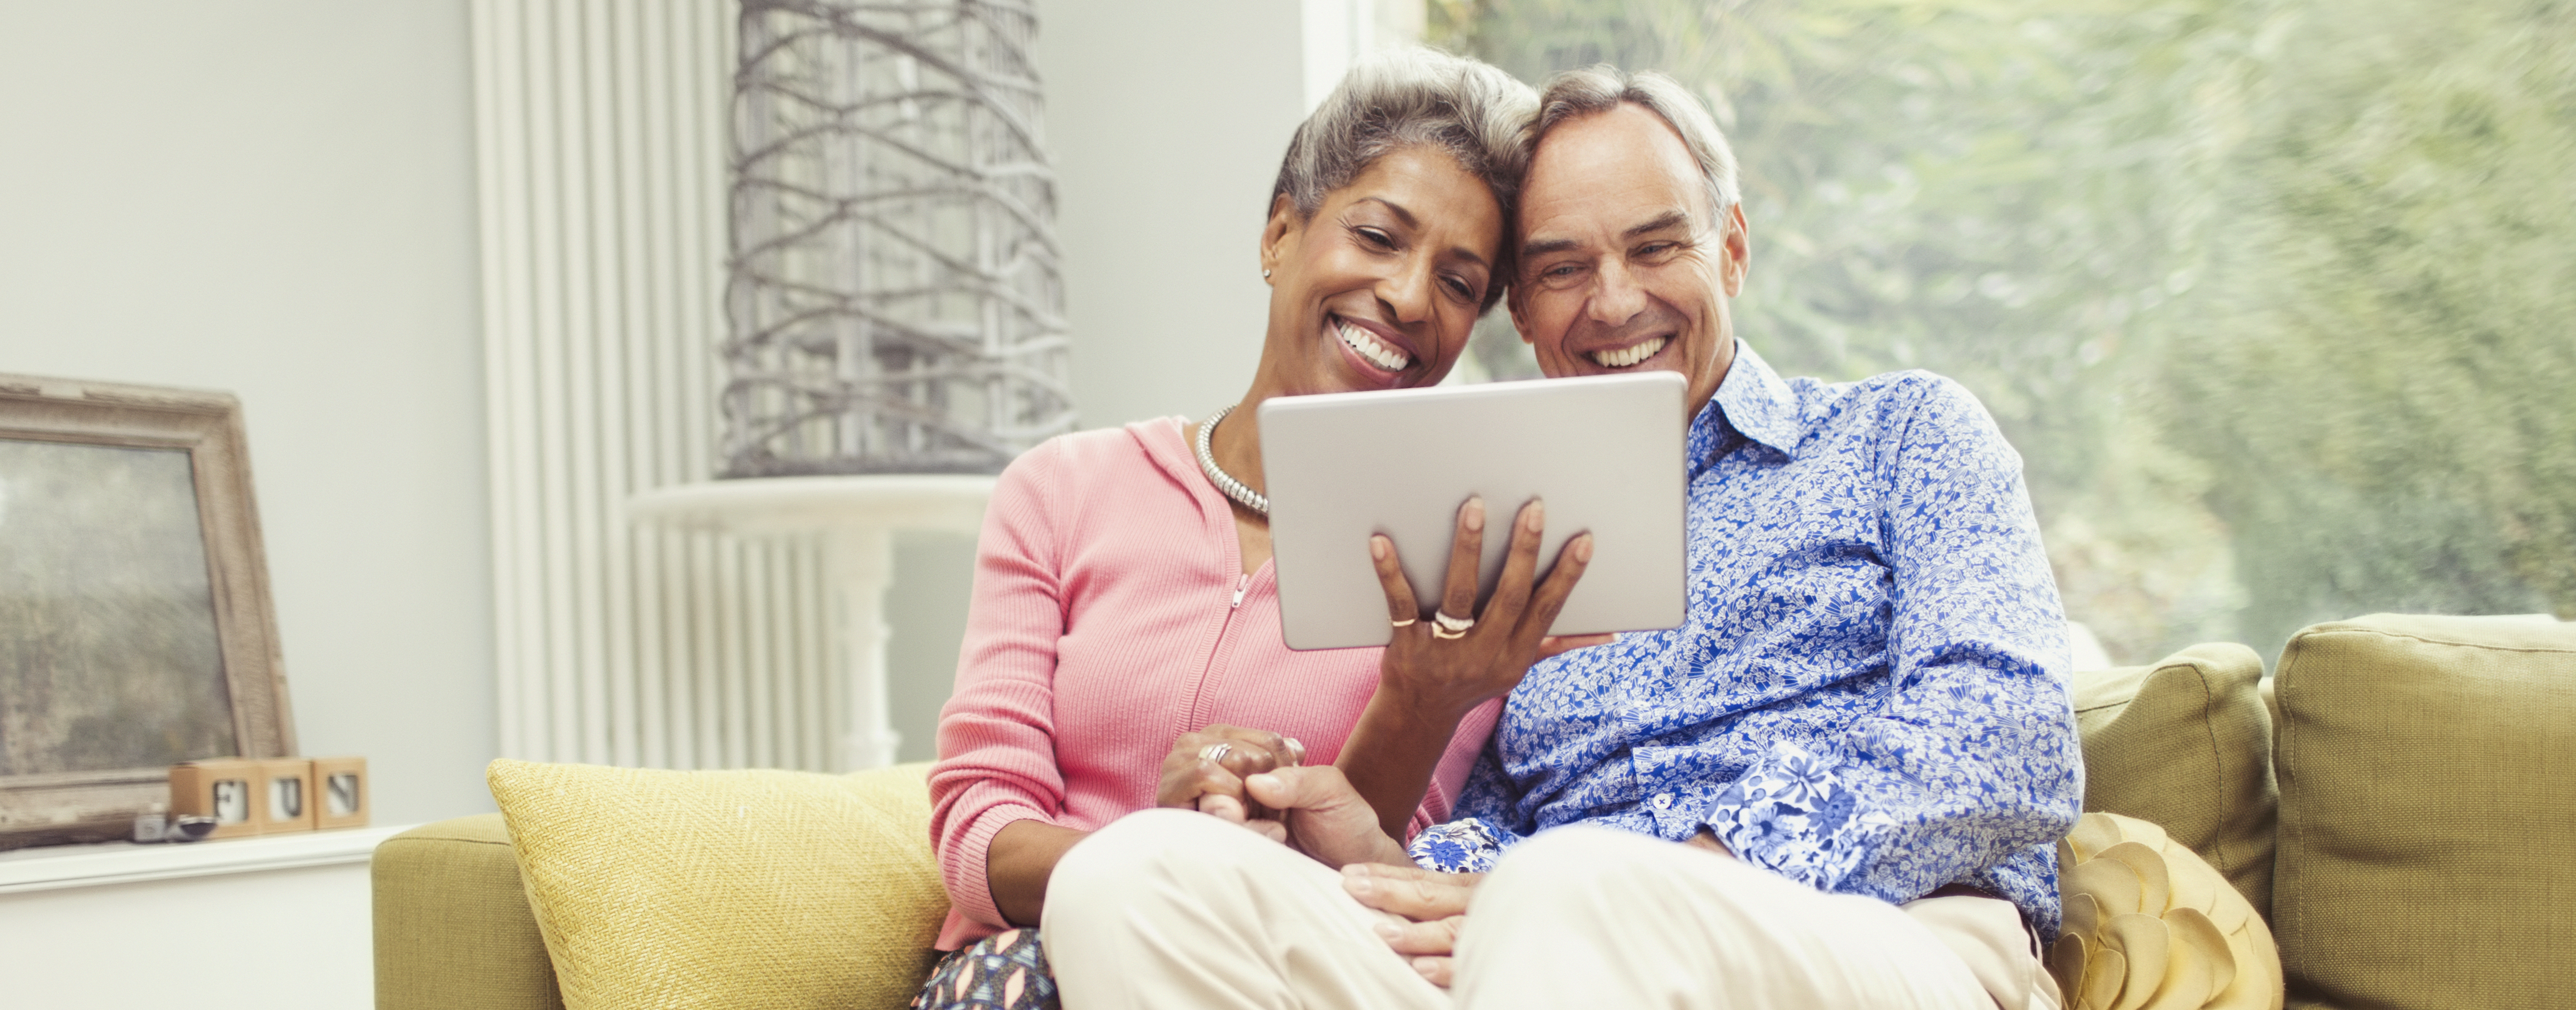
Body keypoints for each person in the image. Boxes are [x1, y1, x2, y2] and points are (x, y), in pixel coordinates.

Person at [1038, 65, 2083, 1010]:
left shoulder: (1901, 433)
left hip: (1883, 936)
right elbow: (1501, 830)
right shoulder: (1495, 518)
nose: (1615, 300)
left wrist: (1691, 863)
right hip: (1536, 950)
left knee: (1564, 886)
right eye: (1560, 268)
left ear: (1731, 249)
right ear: (1524, 317)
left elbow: (2009, 744)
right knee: (1134, 876)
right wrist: (1379, 852)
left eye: (1657, 246)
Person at [913, 49, 1610, 1010]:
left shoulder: (1464, 554)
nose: (1409, 297)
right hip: (1024, 975)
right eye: (1377, 235)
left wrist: (1419, 701)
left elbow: (1374, 880)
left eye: (1457, 283)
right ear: (1281, 231)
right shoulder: (1062, 489)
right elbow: (977, 833)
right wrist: (1167, 861)